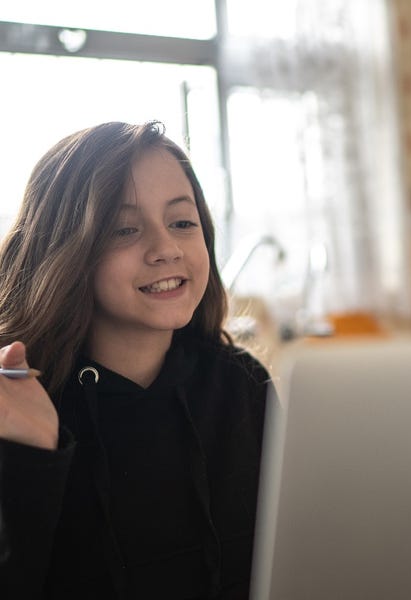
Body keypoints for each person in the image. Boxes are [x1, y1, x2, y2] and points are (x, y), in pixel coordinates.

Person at [0, 121, 271, 598]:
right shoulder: (18, 406)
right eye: (124, 229)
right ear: (65, 251)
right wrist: (30, 459)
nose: (166, 248)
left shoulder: (242, 386)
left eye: (182, 222)